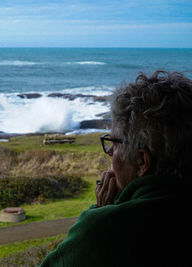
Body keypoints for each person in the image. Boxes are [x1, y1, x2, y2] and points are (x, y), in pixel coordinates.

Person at [40, 71, 192, 267]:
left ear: (141, 161)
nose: (110, 151)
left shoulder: (110, 230)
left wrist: (101, 214)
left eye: (116, 143)